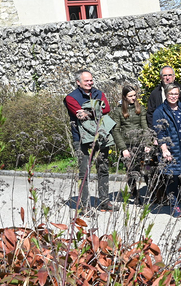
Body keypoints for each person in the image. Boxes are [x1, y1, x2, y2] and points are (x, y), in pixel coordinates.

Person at [64, 69, 114, 212]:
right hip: (81, 139)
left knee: (103, 169)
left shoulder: (99, 93)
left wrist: (88, 112)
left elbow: (107, 109)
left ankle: (104, 202)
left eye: (91, 80)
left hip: (100, 136)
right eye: (86, 81)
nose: (90, 83)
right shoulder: (70, 98)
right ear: (78, 82)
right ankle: (85, 205)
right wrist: (96, 111)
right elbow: (80, 115)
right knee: (84, 172)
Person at [152, 83, 181, 217]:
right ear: (166, 94)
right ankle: (175, 206)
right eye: (171, 94)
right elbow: (159, 132)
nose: (173, 96)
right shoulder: (160, 111)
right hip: (172, 149)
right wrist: (164, 149)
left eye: (176, 94)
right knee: (173, 178)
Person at [113, 84, 152, 205]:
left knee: (147, 170)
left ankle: (151, 193)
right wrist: (123, 148)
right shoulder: (118, 111)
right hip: (127, 145)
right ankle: (135, 195)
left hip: (140, 143)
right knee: (131, 172)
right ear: (125, 97)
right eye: (130, 96)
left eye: (135, 95)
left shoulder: (141, 109)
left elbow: (145, 126)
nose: (133, 98)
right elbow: (115, 130)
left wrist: (147, 143)